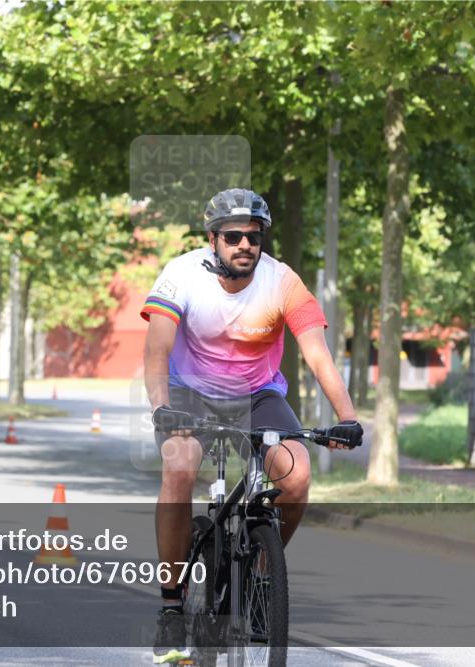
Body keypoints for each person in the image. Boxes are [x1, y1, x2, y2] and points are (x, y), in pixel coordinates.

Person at [140, 187, 363, 664]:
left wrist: (347, 418)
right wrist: (162, 407)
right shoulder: (182, 275)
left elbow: (318, 356)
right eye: (234, 236)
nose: (245, 244)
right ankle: (172, 607)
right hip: (189, 394)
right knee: (179, 468)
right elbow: (156, 351)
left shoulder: (283, 282)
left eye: (254, 236)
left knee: (296, 475)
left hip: (257, 395)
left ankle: (261, 576)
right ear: (213, 240)